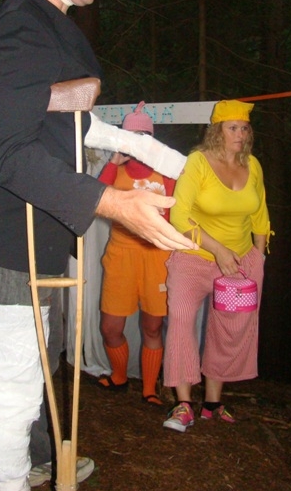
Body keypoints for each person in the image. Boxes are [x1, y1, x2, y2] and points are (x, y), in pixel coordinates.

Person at [0, 0, 196, 491]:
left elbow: (64, 122)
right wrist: (115, 203)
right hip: (4, 239)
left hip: (36, 235)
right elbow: (9, 152)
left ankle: (32, 461)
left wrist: (158, 154)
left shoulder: (49, 26)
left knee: (37, 366)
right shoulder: (19, 30)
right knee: (11, 383)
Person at [162, 99, 271, 432]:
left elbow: (260, 215)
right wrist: (218, 250)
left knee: (228, 329)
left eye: (245, 128)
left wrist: (258, 256)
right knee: (181, 321)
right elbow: (179, 216)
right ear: (216, 131)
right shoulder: (198, 162)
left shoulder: (253, 165)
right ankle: (183, 404)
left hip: (239, 263)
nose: (240, 134)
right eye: (232, 128)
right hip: (194, 258)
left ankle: (212, 402)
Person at [97, 102, 174, 405]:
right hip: (121, 254)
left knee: (152, 326)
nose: (139, 142)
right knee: (110, 327)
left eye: (144, 136)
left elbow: (177, 214)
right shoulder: (115, 169)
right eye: (132, 136)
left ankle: (149, 389)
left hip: (157, 256)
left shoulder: (166, 172)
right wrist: (113, 162)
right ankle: (119, 377)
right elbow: (93, 200)